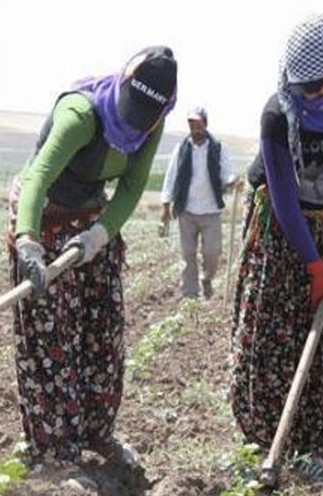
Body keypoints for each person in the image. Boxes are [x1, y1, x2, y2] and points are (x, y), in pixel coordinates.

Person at [7, 46, 177, 471]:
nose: (134, 121)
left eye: (145, 117)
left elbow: (132, 187)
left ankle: (98, 435)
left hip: (90, 224)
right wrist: (28, 242)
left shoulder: (151, 124)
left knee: (103, 335)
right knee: (50, 343)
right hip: (43, 218)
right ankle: (54, 454)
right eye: (130, 108)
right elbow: (38, 176)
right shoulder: (81, 115)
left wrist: (99, 235)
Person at [229, 13, 323, 485]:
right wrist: (313, 266)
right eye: (301, 86)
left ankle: (310, 450)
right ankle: (262, 445)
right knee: (271, 333)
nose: (309, 94)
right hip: (280, 226)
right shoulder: (278, 113)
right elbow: (285, 198)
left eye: (317, 86)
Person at [160, 106, 235, 299]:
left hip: (210, 211)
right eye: (191, 124)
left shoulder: (218, 148)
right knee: (188, 255)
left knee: (213, 253)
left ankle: (207, 277)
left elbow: (227, 173)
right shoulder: (181, 149)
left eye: (198, 124)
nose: (195, 128)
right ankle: (190, 294)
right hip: (186, 210)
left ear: (205, 124)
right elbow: (171, 177)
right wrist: (166, 205)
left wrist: (232, 181)